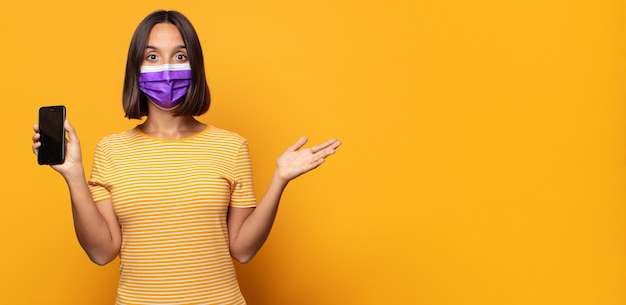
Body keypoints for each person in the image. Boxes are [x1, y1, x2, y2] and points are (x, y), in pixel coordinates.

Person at [31, 10, 340, 305]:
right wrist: (73, 174)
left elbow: (243, 250)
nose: (166, 69)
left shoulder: (230, 146)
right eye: (152, 57)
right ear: (135, 69)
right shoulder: (112, 151)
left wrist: (279, 181)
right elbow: (101, 252)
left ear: (195, 67)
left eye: (180, 56)